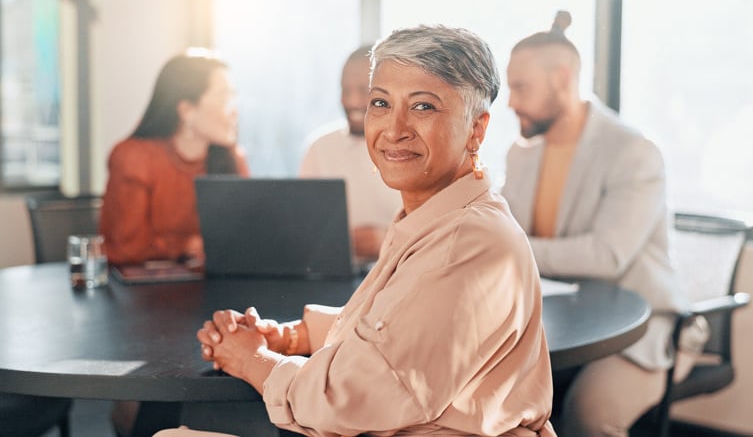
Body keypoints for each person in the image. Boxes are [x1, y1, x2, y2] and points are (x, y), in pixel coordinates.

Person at [159, 25, 556, 437]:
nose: (394, 128)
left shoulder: (468, 240)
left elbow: (357, 393)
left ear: (476, 128)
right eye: (381, 103)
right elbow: (394, 329)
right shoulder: (439, 217)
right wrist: (290, 337)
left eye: (423, 107)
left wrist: (252, 361)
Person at [503, 11, 708, 436]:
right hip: (558, 317)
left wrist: (512, 247)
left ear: (562, 78)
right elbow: (502, 232)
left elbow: (606, 256)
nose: (510, 102)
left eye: (520, 87)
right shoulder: (521, 153)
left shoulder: (633, 152)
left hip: (643, 326)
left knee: (587, 416)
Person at [99, 48, 249, 267]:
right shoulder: (133, 157)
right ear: (186, 110)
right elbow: (126, 249)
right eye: (223, 97)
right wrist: (188, 245)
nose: (234, 111)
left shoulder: (232, 157)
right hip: (142, 296)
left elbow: (247, 241)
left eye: (233, 97)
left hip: (213, 292)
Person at [299, 44, 402, 262]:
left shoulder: (410, 150)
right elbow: (304, 235)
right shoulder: (320, 149)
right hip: (337, 275)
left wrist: (385, 241)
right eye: (345, 90)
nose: (351, 101)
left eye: (363, 91)